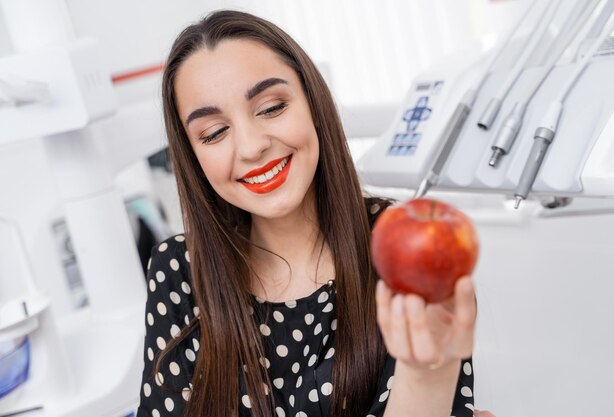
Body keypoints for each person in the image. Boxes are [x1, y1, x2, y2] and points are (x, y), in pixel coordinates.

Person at [137, 9, 483, 417]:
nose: (251, 147)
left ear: (312, 103)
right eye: (214, 133)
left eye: (271, 107)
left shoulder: (404, 251)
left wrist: (428, 375)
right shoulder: (178, 269)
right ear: (193, 156)